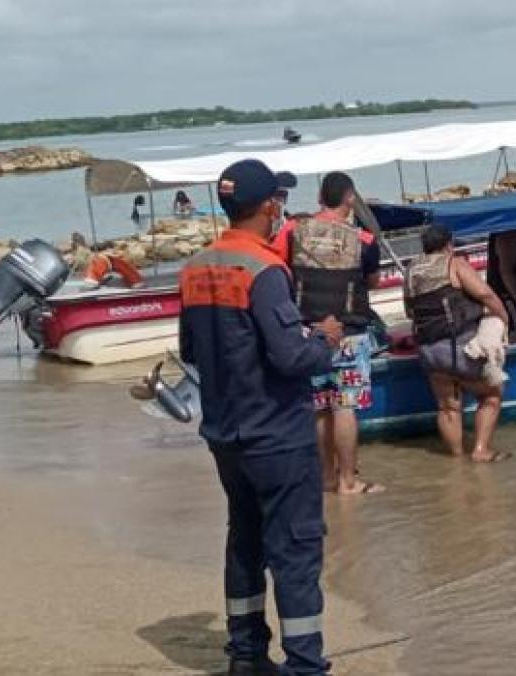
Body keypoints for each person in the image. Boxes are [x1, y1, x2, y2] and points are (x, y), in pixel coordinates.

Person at [178, 159, 339, 675]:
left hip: (226, 434)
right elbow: (293, 358)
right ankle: (305, 665)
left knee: (244, 543)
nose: (280, 211)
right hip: (277, 434)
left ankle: (246, 656)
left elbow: (191, 349)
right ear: (270, 205)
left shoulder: (196, 266)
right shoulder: (263, 269)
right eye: (279, 201)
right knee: (295, 549)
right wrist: (327, 339)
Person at [288, 171, 384, 495]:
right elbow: (372, 282)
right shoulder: (365, 241)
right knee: (344, 407)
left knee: (320, 406)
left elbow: (281, 270)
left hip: (308, 333)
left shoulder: (293, 231)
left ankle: (326, 478)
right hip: (349, 334)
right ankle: (348, 481)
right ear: (350, 198)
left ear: (319, 199)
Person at [406, 224, 513, 462]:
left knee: (447, 407)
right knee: (491, 395)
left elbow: (409, 311)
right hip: (458, 347)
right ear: (448, 244)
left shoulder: (411, 270)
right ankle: (480, 451)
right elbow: (485, 294)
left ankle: (456, 459)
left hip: (429, 350)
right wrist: (503, 317)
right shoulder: (454, 263)